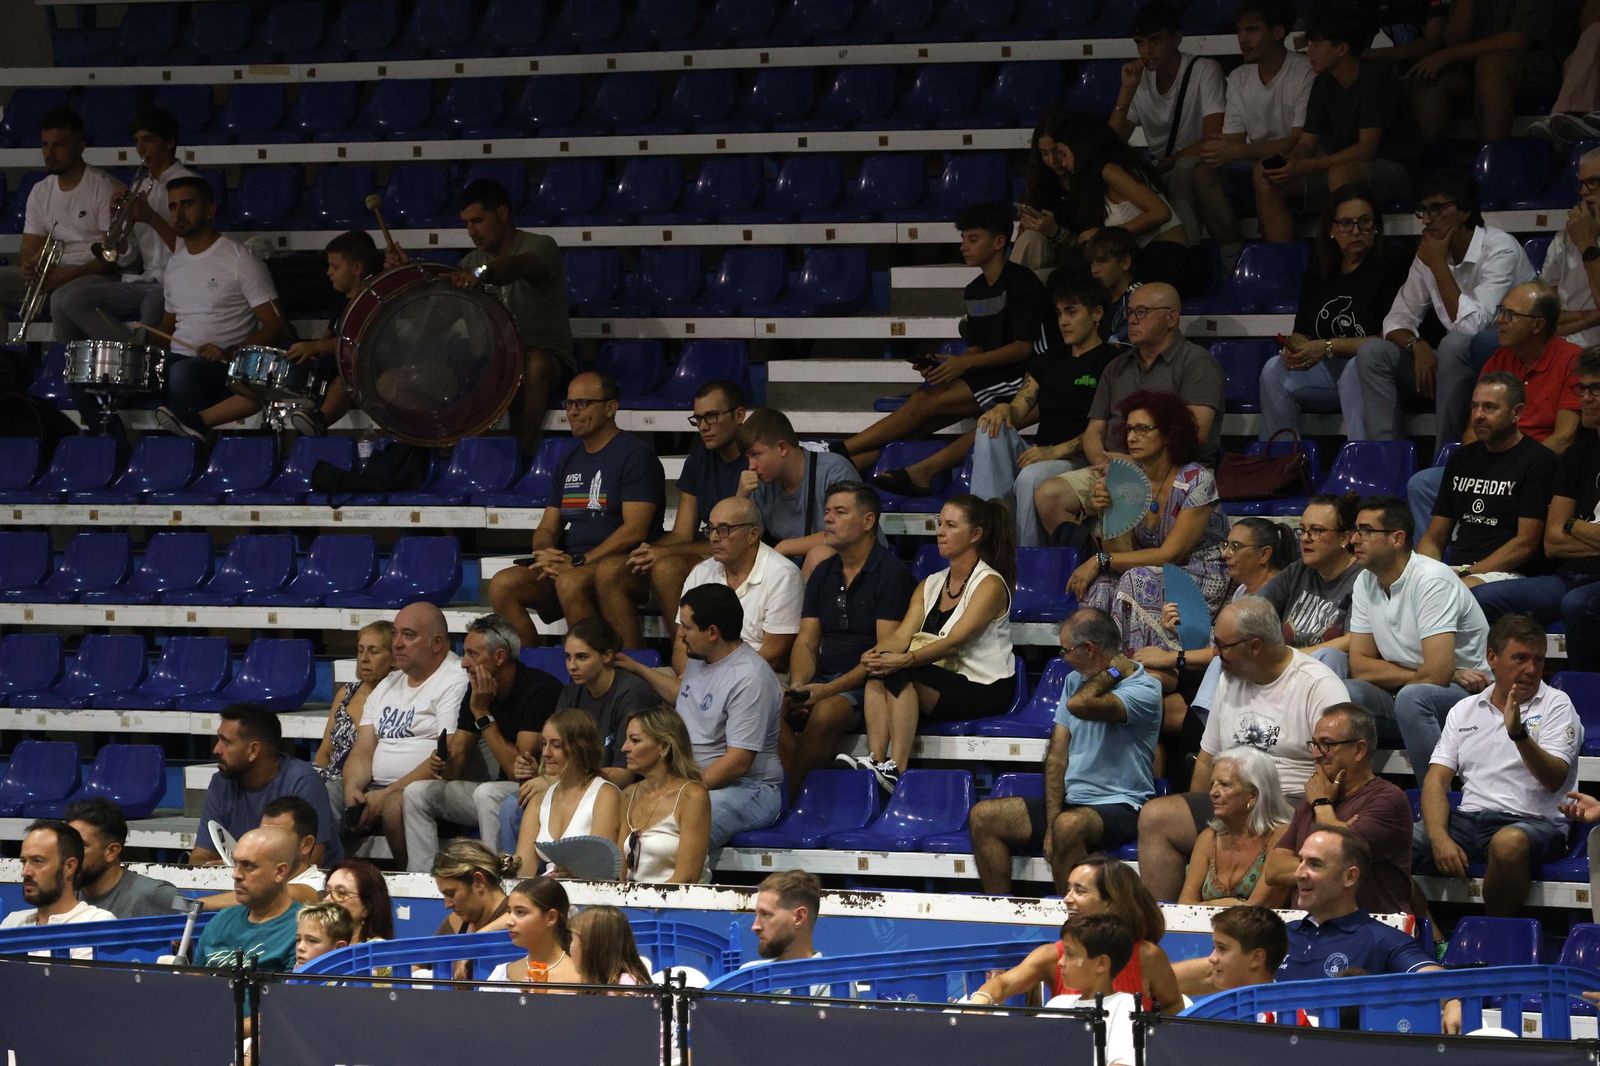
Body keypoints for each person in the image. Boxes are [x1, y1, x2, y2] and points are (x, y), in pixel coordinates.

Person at [1135, 597, 1350, 901]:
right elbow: (1208, 757)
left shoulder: (1317, 685)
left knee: (1273, 824)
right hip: (1231, 796)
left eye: (1223, 646)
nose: (1215, 653)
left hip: (1287, 801)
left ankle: (1255, 920)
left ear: (1255, 646)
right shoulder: (1229, 679)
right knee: (1155, 816)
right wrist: (1205, 804)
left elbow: (1338, 766)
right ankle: (1165, 928)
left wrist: (1315, 808)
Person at [837, 201, 1047, 497]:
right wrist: (946, 363)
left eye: (973, 239)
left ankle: (840, 451)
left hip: (1025, 374)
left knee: (926, 400)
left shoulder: (1022, 283)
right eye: (963, 239)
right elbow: (976, 349)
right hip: (993, 372)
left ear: (999, 242)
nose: (964, 246)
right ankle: (852, 463)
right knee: (925, 417)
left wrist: (965, 365)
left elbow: (1023, 349)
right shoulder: (974, 290)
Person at [969, 607, 1160, 895]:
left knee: (1068, 826)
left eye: (1066, 650)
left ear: (1089, 649)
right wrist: (1050, 822)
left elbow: (1080, 705)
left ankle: (1072, 925)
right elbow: (1057, 756)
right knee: (984, 816)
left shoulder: (1145, 689)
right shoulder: (1074, 682)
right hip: (1072, 805)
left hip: (1121, 805)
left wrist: (1113, 672)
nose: (1063, 658)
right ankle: (1003, 911)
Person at [385, 178, 572, 456]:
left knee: (536, 363)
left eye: (478, 221)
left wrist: (481, 274)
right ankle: (449, 455)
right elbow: (433, 325)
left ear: (503, 213)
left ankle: (520, 454)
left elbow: (518, 266)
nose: (471, 231)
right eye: (466, 224)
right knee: (400, 380)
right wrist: (407, 279)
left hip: (544, 362)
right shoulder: (467, 263)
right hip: (488, 366)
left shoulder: (541, 245)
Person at [1354, 169, 1534, 452]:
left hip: (1503, 358)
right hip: (1454, 363)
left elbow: (1474, 327)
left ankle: (1447, 455)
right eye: (1422, 210)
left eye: (1436, 209)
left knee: (1454, 343)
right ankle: (1387, 458)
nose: (1426, 220)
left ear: (1463, 211)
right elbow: (1396, 319)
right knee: (1372, 353)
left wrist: (1438, 265)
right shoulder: (1430, 252)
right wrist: (1417, 345)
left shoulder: (1500, 249)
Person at [846, 495, 1016, 792]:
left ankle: (897, 767)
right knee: (880, 671)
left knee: (902, 671)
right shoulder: (930, 583)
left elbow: (954, 643)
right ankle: (876, 760)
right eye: (939, 524)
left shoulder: (989, 584)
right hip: (941, 676)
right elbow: (902, 636)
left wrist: (904, 660)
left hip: (985, 685)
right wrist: (877, 654)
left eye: (950, 525)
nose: (940, 531)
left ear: (975, 535)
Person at [1415, 613, 1581, 915]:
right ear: (1492, 657)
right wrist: (1439, 838)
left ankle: (1494, 937)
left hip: (1534, 824)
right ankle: (1431, 937)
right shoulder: (1464, 709)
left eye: (1539, 660)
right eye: (1520, 658)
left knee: (1508, 844)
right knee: (1381, 841)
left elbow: (1554, 778)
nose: (1531, 670)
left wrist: (1519, 735)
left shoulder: (1557, 704)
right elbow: (1436, 780)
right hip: (1469, 821)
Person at [487, 372, 666, 648]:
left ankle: (594, 668)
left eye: (582, 403)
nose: (572, 411)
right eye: (569, 404)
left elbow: (635, 530)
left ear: (610, 407)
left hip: (622, 566)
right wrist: (545, 553)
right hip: (575, 563)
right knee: (502, 584)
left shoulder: (635, 455)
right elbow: (548, 527)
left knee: (570, 581)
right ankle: (533, 672)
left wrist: (582, 561)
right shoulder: (569, 460)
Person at [1034, 284, 1225, 538]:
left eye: (1142, 312)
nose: (1132, 320)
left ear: (1171, 317)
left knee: (1122, 503)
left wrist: (1135, 465)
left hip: (1174, 472)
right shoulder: (1117, 366)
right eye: (1129, 312)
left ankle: (1110, 560)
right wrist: (1105, 463)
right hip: (1115, 468)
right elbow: (1094, 430)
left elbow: (1194, 434)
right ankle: (1088, 559)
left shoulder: (1195, 362)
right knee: (1049, 496)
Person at [1404, 281, 1581, 533]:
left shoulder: (1571, 360)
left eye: (1510, 315)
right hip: (1491, 465)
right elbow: (1472, 430)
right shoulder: (1499, 359)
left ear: (1537, 325)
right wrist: (1483, 468)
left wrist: (1518, 468)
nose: (1500, 320)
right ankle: (1437, 564)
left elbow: (1564, 438)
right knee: (1422, 484)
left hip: (1542, 468)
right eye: (1501, 311)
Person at [617, 584, 784, 847]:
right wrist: (637, 669)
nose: (680, 634)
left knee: (671, 830)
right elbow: (686, 696)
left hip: (749, 789)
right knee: (618, 814)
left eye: (687, 627)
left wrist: (679, 791)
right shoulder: (699, 658)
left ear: (712, 632)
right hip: (695, 783)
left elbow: (738, 762)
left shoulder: (750, 677)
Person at [781, 481, 918, 801]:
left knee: (825, 712)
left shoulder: (891, 573)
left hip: (869, 685)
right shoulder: (823, 572)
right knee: (771, 704)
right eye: (827, 512)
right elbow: (805, 642)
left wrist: (825, 691)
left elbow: (882, 656)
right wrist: (801, 685)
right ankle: (804, 791)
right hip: (823, 678)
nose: (828, 519)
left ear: (868, 521)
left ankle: (792, 800)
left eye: (840, 512)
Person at [1065, 391, 1230, 652]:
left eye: (1143, 429)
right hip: (1147, 570)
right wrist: (1105, 513)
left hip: (1198, 573)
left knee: (1136, 579)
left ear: (1168, 433)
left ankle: (1137, 668)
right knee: (1101, 585)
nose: (1131, 437)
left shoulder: (1197, 480)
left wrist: (1098, 560)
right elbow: (1118, 554)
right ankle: (1096, 664)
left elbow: (1172, 554)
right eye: (1129, 429)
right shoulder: (1128, 480)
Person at [1341, 495, 1492, 778]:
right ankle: (1355, 795)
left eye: (1366, 531)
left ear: (1397, 538)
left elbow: (1435, 676)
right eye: (1355, 530)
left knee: (1413, 698)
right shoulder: (1365, 580)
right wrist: (1448, 672)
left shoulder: (1430, 579)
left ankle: (1436, 804)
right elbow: (1360, 666)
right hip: (1418, 690)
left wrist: (1443, 674)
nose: (1354, 540)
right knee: (1345, 691)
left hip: (1470, 696)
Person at [969, 272, 1121, 546]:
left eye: (1072, 312)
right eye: (1060, 313)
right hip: (1040, 452)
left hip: (1080, 459)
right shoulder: (1049, 359)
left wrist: (1054, 451)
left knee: (1030, 477)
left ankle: (1026, 563)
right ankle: (987, 539)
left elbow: (1105, 427)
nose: (1063, 321)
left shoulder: (1113, 361)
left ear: (1097, 314)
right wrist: (1002, 409)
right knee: (988, 429)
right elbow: (1018, 409)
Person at [1473, 349, 1600, 668]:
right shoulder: (1579, 453)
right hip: (1569, 575)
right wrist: (1577, 530)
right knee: (1479, 599)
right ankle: (1497, 692)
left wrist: (1573, 526)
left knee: (1577, 605)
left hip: (1586, 585)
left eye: (1595, 389)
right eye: (1581, 389)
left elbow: (1564, 528)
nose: (1585, 397)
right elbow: (1553, 540)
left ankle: (1585, 694)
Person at [599, 379, 748, 649]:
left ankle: (685, 657)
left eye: (712, 416)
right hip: (708, 554)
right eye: (698, 419)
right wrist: (645, 550)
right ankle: (636, 668)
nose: (703, 427)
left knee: (666, 567)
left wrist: (663, 553)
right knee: (612, 568)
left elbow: (732, 542)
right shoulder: (698, 460)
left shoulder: (755, 460)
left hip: (742, 556)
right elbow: (681, 533)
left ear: (739, 415)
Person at [403, 613, 561, 867]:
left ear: (499, 656)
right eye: (464, 653)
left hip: (536, 790)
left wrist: (482, 714)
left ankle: (493, 876)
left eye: (472, 654)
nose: (464, 663)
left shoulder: (539, 688)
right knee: (417, 792)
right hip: (499, 791)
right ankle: (423, 879)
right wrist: (442, 763)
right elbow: (454, 768)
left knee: (487, 793)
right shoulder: (475, 689)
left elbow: (517, 771)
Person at [1253, 4, 1418, 244]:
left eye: (1316, 45)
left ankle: (1347, 258)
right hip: (1336, 168)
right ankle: (1281, 261)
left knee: (1341, 174)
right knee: (1265, 174)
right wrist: (1294, 161)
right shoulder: (1322, 83)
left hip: (1393, 169)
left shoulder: (1374, 77)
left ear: (1341, 48)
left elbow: (1366, 149)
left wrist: (1306, 166)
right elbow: (1307, 142)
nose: (1309, 51)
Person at [1258, 184, 1410, 440]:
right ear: (1331, 229)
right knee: (1273, 369)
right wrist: (1297, 349)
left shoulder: (1391, 264)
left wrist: (1327, 346)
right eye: (1346, 223)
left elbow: (1388, 338)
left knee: (1358, 366)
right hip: (1328, 370)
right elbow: (1302, 332)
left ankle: (1363, 462)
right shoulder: (1320, 269)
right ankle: (1282, 463)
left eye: (1364, 222)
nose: (1356, 231)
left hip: (1378, 372)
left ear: (1376, 226)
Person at [1280, 825, 1461, 1033]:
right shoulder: (1278, 935)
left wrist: (1452, 1001)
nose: (1299, 873)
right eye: (1300, 860)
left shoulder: (1382, 939)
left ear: (1349, 877)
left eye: (1314, 864)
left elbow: (1438, 982)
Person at [150, 175, 290, 443]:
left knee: (181, 374)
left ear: (210, 209)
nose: (179, 213)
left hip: (222, 365)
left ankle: (191, 448)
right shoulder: (175, 263)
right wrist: (145, 345)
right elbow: (169, 324)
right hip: (178, 359)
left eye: (188, 204)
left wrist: (230, 351)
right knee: (100, 380)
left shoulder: (240, 259)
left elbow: (277, 326)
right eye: (173, 206)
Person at [50, 106, 195, 345]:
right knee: (71, 300)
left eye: (148, 140)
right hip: (146, 279)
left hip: (179, 280)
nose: (141, 149)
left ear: (169, 142)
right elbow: (128, 260)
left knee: (153, 306)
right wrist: (118, 228)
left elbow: (194, 249)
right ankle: (129, 353)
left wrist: (151, 218)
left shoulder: (189, 185)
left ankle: (136, 361)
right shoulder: (141, 185)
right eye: (137, 141)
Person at [1134, 516, 1298, 726]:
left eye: (1236, 547)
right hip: (1219, 668)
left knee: (1149, 711)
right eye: (1226, 544)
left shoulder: (1272, 600)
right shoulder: (1241, 590)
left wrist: (1172, 657)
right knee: (1147, 679)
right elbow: (1220, 643)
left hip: (1243, 680)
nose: (1225, 554)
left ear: (1264, 554)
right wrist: (1182, 630)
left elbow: (1230, 651)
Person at [342, 602, 471, 868]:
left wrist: (388, 792)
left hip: (427, 790)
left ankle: (412, 887)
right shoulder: (389, 683)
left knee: (395, 804)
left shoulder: (455, 679)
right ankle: (327, 880)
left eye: (408, 635)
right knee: (326, 793)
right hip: (375, 788)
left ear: (437, 643)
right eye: (395, 634)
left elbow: (446, 753)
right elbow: (363, 748)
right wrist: (352, 787)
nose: (397, 644)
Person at [1191, 0, 1313, 270]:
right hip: (1254, 163)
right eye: (1240, 31)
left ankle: (1277, 269)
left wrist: (1237, 151)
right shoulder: (1238, 77)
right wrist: (1222, 151)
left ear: (1278, 32)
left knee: (1265, 171)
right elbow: (1232, 142)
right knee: (1202, 172)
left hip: (1300, 164)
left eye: (1252, 30)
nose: (1243, 39)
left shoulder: (1304, 71)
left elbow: (1297, 139)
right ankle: (1233, 264)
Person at [1264, 704, 1415, 915]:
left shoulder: (1387, 800)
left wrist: (1322, 805)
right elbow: (1274, 870)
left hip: (1370, 931)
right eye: (1314, 744)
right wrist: (1326, 865)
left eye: (1326, 744)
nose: (1316, 754)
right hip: (1310, 929)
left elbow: (1342, 855)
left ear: (1359, 750)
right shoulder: (1312, 800)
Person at [1021, 111, 1192, 291]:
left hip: (1167, 257)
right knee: (1063, 277)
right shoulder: (1093, 182)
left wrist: (1106, 233)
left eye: (1063, 153)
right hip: (1140, 255)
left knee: (1073, 282)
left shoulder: (1110, 170)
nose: (1060, 162)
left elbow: (1161, 212)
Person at [1416, 373, 1560, 584]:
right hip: (1460, 569)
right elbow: (1436, 535)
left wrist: (1469, 572)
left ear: (1517, 412)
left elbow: (1525, 544)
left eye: (1490, 407)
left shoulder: (1539, 461)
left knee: (1456, 593)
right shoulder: (1462, 459)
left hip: (1509, 571)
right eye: (1474, 407)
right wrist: (1423, 572)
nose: (1478, 415)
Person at [0, 109, 118, 343]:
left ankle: (63, 366)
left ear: (81, 146)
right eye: (45, 145)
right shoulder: (40, 190)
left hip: (90, 275)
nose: (49, 154)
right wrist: (31, 265)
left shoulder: (103, 187)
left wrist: (66, 275)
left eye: (59, 146)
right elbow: (29, 249)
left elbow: (110, 259)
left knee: (62, 298)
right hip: (53, 274)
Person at [255, 230, 380, 436]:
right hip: (335, 366)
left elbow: (358, 341)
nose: (328, 272)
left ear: (357, 268)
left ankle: (320, 420)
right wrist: (314, 353)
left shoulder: (370, 302)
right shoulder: (341, 302)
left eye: (335, 267)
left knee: (347, 378)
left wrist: (316, 346)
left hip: (362, 370)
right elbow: (330, 333)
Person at [1110, 2, 1226, 224]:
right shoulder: (1139, 81)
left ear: (1176, 38)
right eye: (1140, 43)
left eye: (1155, 40)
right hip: (1164, 169)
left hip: (1203, 165)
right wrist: (1126, 91)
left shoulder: (1204, 70)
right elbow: (1112, 140)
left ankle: (1190, 250)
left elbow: (1212, 139)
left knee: (1185, 169)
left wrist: (1164, 164)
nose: (1147, 51)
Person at [970, 913, 1139, 1062]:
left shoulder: (1124, 1005)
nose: (1060, 962)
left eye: (1070, 954)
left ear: (1101, 963)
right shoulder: (1057, 1005)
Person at [191, 703, 341, 867]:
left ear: (253, 751)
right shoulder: (221, 783)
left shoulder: (303, 783)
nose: (216, 749)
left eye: (226, 742)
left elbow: (311, 863)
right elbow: (200, 858)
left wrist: (245, 868)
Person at [736, 407, 880, 576]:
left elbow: (850, 532)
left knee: (818, 556)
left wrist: (785, 547)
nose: (751, 466)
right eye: (748, 458)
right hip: (797, 570)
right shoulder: (760, 483)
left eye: (756, 454)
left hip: (862, 567)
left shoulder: (834, 471)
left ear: (782, 448)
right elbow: (738, 541)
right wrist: (741, 496)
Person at [672, 496, 804, 676]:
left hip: (756, 677)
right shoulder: (701, 572)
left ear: (753, 534)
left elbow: (774, 655)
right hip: (699, 674)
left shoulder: (783, 575)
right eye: (710, 529)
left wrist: (717, 683)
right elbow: (681, 643)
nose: (713, 537)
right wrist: (688, 681)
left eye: (723, 529)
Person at [1405, 0, 1562, 145]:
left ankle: (1493, 163)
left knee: (1490, 65)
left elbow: (1517, 40)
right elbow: (1454, 39)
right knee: (1432, 76)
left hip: (1534, 69)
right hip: (1474, 69)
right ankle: (1426, 164)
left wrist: (1447, 55)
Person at [1257, 495, 1364, 676]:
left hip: (1323, 670)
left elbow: (1353, 639)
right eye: (1303, 530)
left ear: (1345, 538)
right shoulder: (1300, 569)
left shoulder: (1362, 578)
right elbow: (1255, 607)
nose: (1305, 538)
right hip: (1286, 666)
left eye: (1316, 531)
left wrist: (1293, 656)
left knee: (1330, 656)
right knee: (1227, 658)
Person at [1058, 857, 1182, 1010]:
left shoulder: (1147, 956)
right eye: (1068, 889)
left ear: (1110, 901)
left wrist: (1146, 1033)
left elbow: (1174, 1005)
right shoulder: (1055, 953)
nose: (1066, 899)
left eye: (1079, 891)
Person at [1178, 746, 1294, 906]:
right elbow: (1184, 904)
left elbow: (1259, 906)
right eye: (1212, 784)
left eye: (1224, 785)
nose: (1213, 792)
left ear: (1253, 795)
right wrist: (1234, 903)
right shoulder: (1208, 838)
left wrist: (1208, 906)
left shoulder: (1281, 836)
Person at [513, 709, 624, 876]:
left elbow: (600, 869)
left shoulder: (605, 795)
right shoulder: (539, 799)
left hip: (587, 895)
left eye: (556, 745)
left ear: (581, 748)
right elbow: (523, 870)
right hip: (547, 892)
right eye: (544, 744)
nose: (545, 753)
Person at [618, 705, 712, 884]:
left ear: (664, 747)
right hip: (633, 903)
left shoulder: (692, 796)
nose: (624, 748)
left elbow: (687, 877)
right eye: (626, 739)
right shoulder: (628, 795)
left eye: (635, 740)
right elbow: (620, 873)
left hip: (677, 905)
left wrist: (644, 904)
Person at [195, 827, 304, 975]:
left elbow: (291, 995)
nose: (235, 874)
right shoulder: (219, 922)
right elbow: (195, 985)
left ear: (280, 872)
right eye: (235, 863)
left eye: (248, 865)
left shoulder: (303, 930)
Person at [314, 620, 394, 816]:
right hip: (332, 775)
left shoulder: (397, 697)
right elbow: (325, 751)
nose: (364, 658)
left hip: (366, 783)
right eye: (360, 650)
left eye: (373, 651)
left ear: (394, 658)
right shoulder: (346, 693)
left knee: (329, 791)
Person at [1, 821, 116, 957]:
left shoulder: (96, 924)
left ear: (69, 867)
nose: (25, 872)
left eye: (37, 861)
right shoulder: (13, 922)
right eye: (24, 861)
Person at [66, 797, 180, 919]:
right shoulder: (60, 895)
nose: (68, 854)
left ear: (111, 851)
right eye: (66, 844)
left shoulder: (154, 894)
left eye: (80, 845)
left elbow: (196, 909)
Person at [486, 877, 580, 987]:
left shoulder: (580, 978)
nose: (509, 922)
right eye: (509, 912)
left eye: (520, 912)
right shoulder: (500, 975)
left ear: (551, 917)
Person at [432, 839, 518, 939]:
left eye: (451, 893)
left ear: (478, 881)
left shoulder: (521, 923)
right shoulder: (456, 922)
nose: (447, 905)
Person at [1206, 905, 1289, 993]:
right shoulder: (1220, 1006)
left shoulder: (1288, 1006)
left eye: (1222, 948)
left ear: (1256, 958)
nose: (1211, 958)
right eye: (1214, 948)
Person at [572, 906, 653, 988]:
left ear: (592, 947)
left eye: (573, 939)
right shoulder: (591, 983)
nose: (570, 946)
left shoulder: (625, 986)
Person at [752, 869, 822, 963]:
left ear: (799, 917)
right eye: (757, 914)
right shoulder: (749, 973)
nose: (755, 927)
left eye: (765, 914)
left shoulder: (831, 977)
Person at [1087, 228, 1143, 342]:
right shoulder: (1096, 298)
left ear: (1125, 262)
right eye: (1092, 263)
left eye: (1102, 261)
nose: (1094, 270)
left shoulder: (1140, 298)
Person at [324, 858, 395, 944]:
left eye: (341, 893)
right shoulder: (319, 947)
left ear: (367, 908)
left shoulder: (377, 951)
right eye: (327, 891)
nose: (327, 899)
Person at [294, 902, 354, 971]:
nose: (300, 947)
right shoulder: (297, 968)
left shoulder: (347, 981)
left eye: (312, 940)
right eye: (298, 939)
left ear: (339, 948)